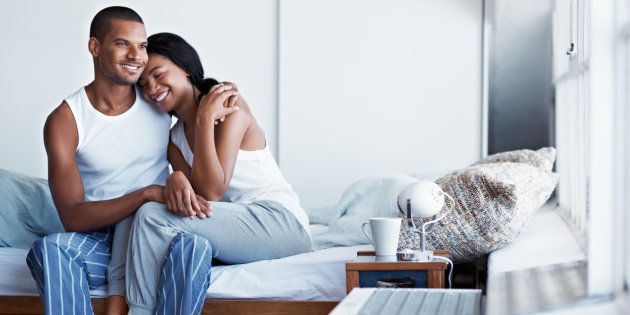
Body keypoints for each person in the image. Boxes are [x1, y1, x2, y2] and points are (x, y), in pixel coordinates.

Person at [24, 7, 215, 315]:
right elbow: (72, 217)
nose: (136, 55)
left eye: (141, 45)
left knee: (195, 248)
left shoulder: (157, 101)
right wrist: (147, 193)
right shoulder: (66, 121)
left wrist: (179, 177)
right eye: (122, 43)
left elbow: (191, 135)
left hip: (154, 234)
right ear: (95, 47)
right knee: (52, 249)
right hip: (99, 240)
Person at [120, 32, 312, 315]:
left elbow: (212, 191)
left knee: (150, 215)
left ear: (186, 69)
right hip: (237, 227)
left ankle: (138, 311)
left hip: (280, 222)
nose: (152, 88)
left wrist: (205, 119)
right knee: (156, 224)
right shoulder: (174, 139)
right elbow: (198, 203)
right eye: (144, 84)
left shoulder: (229, 108)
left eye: (159, 75)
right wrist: (176, 178)